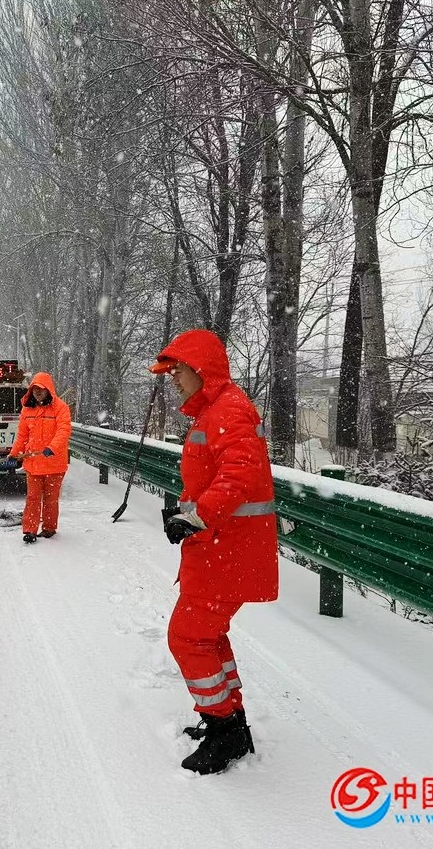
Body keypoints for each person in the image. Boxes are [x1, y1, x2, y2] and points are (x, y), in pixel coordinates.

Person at [149, 330, 279, 775]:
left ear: (201, 369)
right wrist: (189, 512)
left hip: (228, 551)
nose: (174, 380)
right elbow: (218, 477)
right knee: (207, 637)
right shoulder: (216, 410)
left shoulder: (229, 410)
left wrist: (195, 516)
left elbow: (239, 475)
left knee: (187, 638)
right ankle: (230, 721)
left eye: (178, 371)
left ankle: (225, 730)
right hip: (220, 548)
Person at [0, 371, 72, 543]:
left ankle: (49, 528)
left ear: (48, 389)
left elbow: (64, 431)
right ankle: (30, 530)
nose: (37, 392)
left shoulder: (61, 408)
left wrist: (52, 447)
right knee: (33, 498)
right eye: (34, 388)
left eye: (41, 388)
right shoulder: (27, 409)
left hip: (54, 463)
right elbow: (22, 436)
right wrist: (14, 453)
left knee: (51, 499)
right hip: (34, 463)